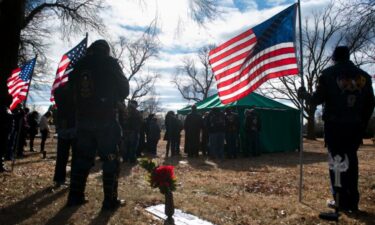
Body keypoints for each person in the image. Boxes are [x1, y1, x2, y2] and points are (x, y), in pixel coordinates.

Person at [298, 46, 375, 212]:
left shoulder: (328, 74)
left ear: (334, 58)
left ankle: (339, 201)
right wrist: (362, 123)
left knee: (337, 162)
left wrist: (304, 94)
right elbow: (370, 104)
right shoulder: (365, 76)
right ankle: (353, 203)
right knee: (352, 162)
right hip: (355, 126)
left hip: (335, 126)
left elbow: (316, 100)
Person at [67, 39, 129, 210]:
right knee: (110, 159)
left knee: (81, 159)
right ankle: (109, 201)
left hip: (83, 118)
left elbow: (69, 89)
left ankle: (75, 196)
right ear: (106, 50)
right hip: (106, 118)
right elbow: (125, 89)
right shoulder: (110, 63)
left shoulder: (79, 65)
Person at [53, 84, 76, 187]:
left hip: (63, 124)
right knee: (76, 155)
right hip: (73, 124)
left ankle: (59, 179)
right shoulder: (75, 91)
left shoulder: (58, 92)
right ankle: (74, 179)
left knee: (62, 155)